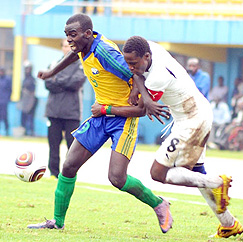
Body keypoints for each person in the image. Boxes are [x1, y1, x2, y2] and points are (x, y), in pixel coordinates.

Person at [27, 13, 172, 233]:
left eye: (72, 35)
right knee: (68, 166)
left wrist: (145, 99)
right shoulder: (84, 47)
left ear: (87, 33)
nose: (69, 40)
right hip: (100, 116)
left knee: (117, 177)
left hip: (123, 119)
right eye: (66, 35)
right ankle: (57, 222)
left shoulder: (105, 52)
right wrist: (51, 72)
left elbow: (136, 73)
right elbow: (75, 55)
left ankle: (158, 203)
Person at [122, 36, 243, 238]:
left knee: (158, 173)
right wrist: (138, 83)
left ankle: (217, 182)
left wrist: (108, 108)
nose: (130, 67)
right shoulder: (150, 46)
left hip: (192, 121)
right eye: (127, 62)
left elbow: (142, 108)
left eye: (133, 63)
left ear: (146, 56)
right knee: (197, 173)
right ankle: (229, 223)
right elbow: (141, 86)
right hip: (194, 114)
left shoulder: (157, 77)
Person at [44, 39, 86, 179]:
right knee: (53, 145)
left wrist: (58, 80)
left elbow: (75, 83)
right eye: (65, 46)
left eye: (70, 46)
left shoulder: (81, 65)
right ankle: (53, 173)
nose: (68, 49)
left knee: (72, 146)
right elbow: (48, 83)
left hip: (72, 113)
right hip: (53, 111)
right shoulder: (54, 64)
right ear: (61, 48)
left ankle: (69, 174)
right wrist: (64, 81)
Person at [19, 61, 37, 136]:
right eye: (26, 69)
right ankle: (24, 131)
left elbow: (32, 91)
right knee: (23, 117)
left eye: (28, 69)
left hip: (31, 101)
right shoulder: (24, 79)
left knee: (30, 117)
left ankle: (31, 131)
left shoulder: (32, 79)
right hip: (24, 101)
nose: (27, 70)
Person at [0, 66, 12, 136]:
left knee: (5, 116)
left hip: (4, 101)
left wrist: (7, 99)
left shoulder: (7, 79)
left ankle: (7, 131)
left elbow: (9, 90)